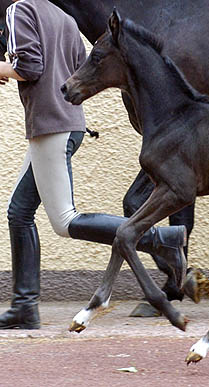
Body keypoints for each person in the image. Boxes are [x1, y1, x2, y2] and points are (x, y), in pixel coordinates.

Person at [0, 0, 186, 329]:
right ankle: (24, 307)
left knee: (64, 221)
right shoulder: (63, 15)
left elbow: (29, 67)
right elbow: (77, 67)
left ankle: (161, 238)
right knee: (19, 211)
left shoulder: (18, 10)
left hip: (49, 126)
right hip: (69, 124)